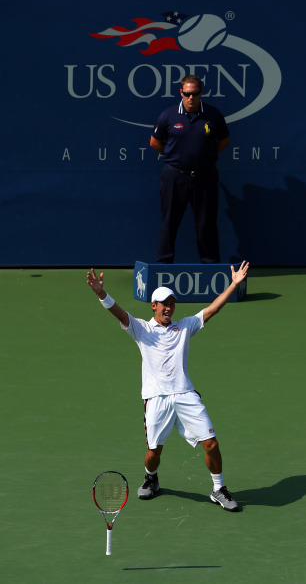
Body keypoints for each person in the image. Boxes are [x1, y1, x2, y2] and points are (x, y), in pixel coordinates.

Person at [87, 261, 249, 512]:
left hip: (185, 395)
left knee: (212, 444)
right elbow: (119, 313)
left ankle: (218, 489)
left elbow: (212, 309)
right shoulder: (141, 329)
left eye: (172, 303)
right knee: (154, 452)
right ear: (154, 306)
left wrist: (234, 284)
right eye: (164, 303)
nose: (169, 308)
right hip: (156, 399)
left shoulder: (184, 326)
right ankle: (151, 478)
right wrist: (101, 294)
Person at [150, 74, 230, 264]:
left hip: (205, 177)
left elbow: (224, 141)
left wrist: (205, 158)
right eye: (186, 94)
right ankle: (163, 268)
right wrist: (174, 158)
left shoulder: (213, 115)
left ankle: (211, 269)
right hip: (174, 177)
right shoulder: (167, 115)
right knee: (169, 223)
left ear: (201, 93)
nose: (190, 98)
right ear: (181, 93)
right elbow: (155, 142)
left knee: (206, 225)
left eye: (194, 94)